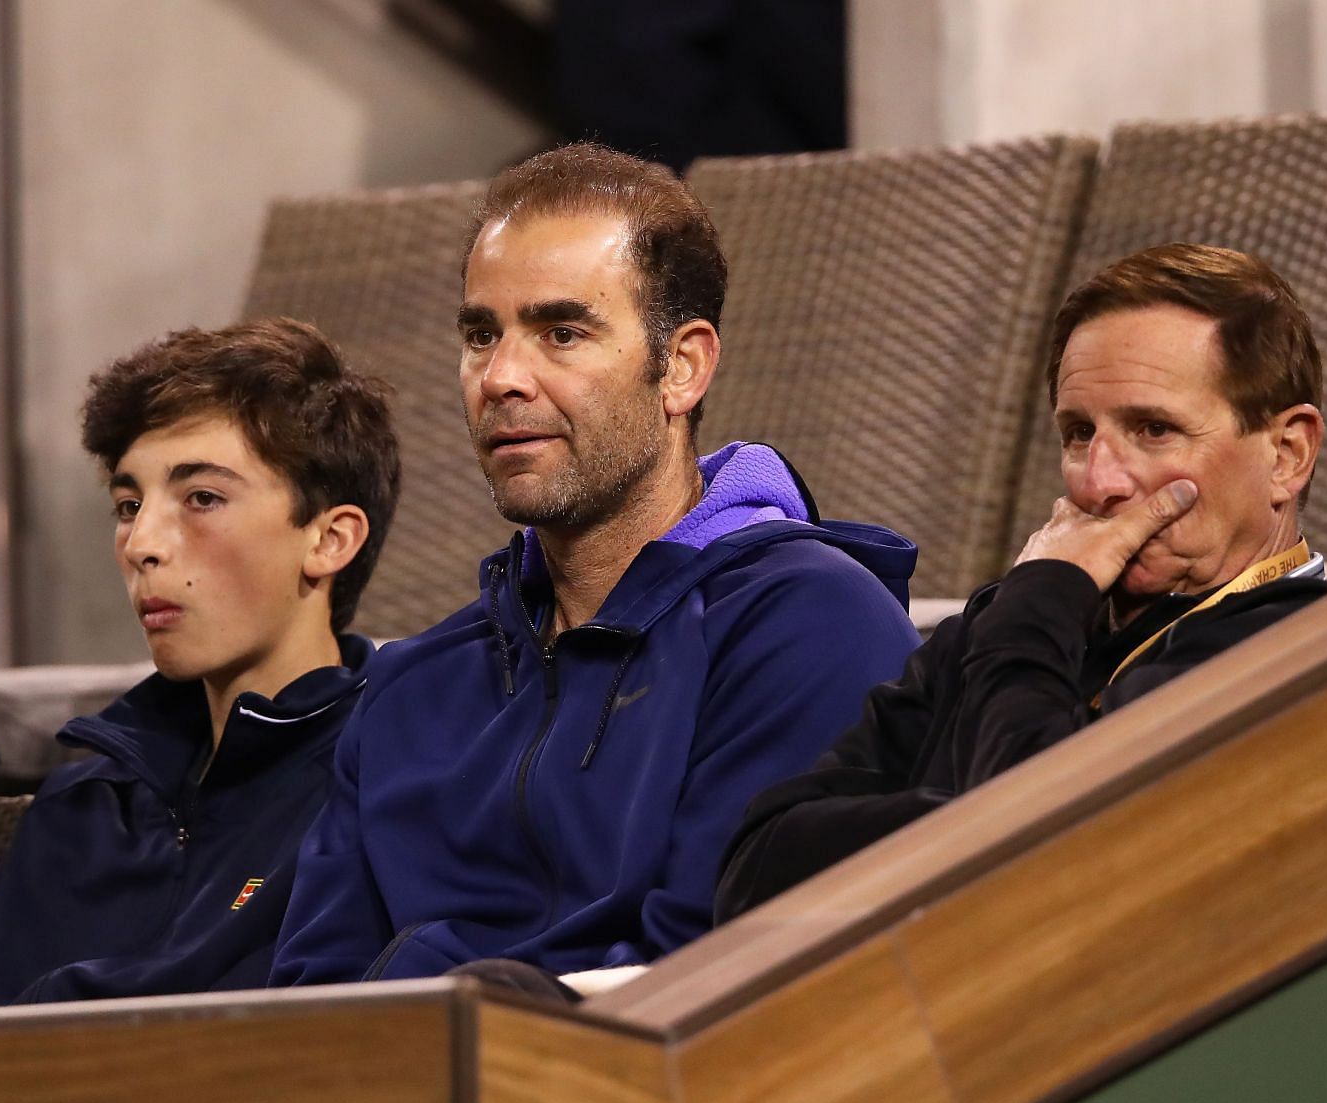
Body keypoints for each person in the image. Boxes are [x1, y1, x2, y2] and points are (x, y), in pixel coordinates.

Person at [271, 142, 922, 985]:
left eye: (562, 331)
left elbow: (724, 987)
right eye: (480, 335)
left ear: (681, 367)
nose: (501, 377)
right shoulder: (410, 689)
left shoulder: (812, 627)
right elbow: (308, 1010)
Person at [715, 243, 1327, 920]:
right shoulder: (1015, 617)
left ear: (1288, 454)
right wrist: (964, 827)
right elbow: (755, 871)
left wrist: (1037, 607)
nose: (1100, 482)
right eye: (1078, 433)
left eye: (1154, 429)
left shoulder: (1311, 660)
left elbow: (1038, 873)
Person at [0, 318, 400, 1009]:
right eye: (127, 505)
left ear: (329, 539)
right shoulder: (78, 811)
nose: (142, 543)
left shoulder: (392, 778)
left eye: (202, 498)